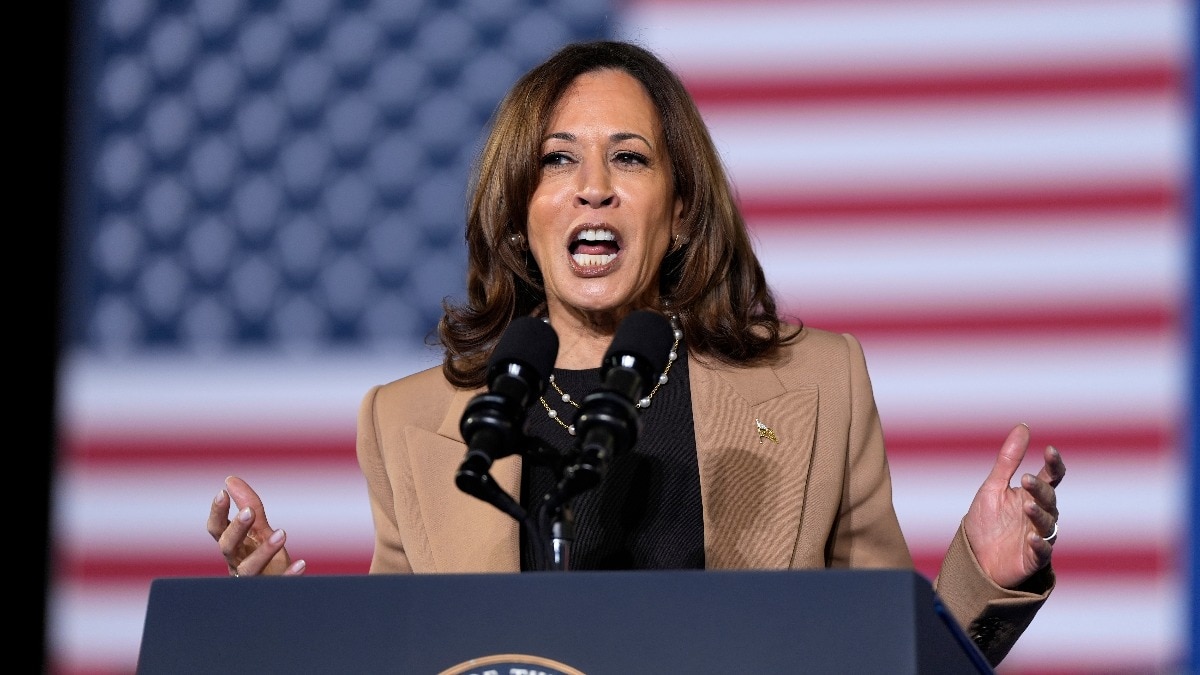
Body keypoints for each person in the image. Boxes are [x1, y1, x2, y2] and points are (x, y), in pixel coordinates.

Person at [207, 40, 1065, 666]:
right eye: (556, 161)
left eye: (630, 156)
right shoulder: (413, 422)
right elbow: (418, 655)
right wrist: (292, 629)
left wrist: (981, 577)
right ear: (518, 213)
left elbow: (882, 651)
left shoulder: (818, 384)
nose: (594, 186)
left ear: (682, 209)